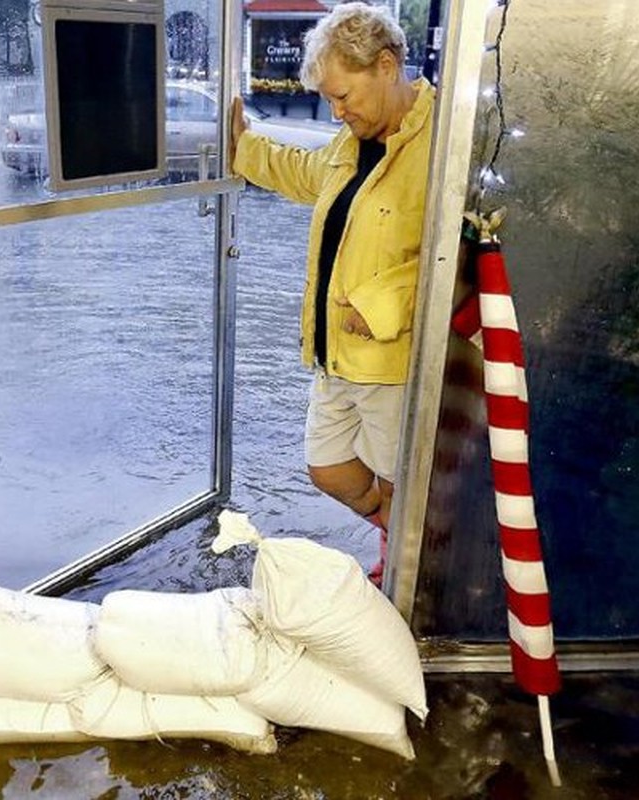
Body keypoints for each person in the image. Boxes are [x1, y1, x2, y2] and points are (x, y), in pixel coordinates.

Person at [230, 3, 434, 584]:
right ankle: (393, 542)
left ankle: (400, 580)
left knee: (401, 483)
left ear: (387, 66)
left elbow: (458, 253)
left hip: (392, 363)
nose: (337, 111)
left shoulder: (440, 142)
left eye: (344, 95)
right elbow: (309, 173)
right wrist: (244, 148)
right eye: (330, 100)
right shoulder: (353, 141)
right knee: (328, 468)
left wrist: (384, 305)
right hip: (334, 354)